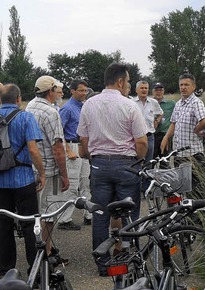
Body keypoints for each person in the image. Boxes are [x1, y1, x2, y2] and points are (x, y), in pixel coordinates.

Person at [78, 63, 148, 276]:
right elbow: (142, 141)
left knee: (100, 213)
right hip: (126, 164)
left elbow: (83, 138)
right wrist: (139, 160)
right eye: (127, 82)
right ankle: (127, 257)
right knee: (129, 213)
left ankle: (102, 262)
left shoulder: (89, 104)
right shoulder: (129, 106)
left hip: (99, 164)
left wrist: (94, 157)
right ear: (120, 82)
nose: (128, 86)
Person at [0, 84, 46, 276]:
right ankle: (34, 271)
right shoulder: (26, 117)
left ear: (0, 99)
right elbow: (33, 149)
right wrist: (42, 173)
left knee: (3, 226)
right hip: (23, 179)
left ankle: (6, 271)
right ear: (18, 98)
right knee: (29, 225)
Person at [25, 75, 70, 264]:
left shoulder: (29, 107)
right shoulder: (51, 113)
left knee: (36, 212)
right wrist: (65, 175)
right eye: (56, 89)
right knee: (49, 213)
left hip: (32, 168)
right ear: (50, 91)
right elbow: (57, 147)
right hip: (49, 170)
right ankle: (46, 253)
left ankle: (42, 249)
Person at [160, 73, 205, 199]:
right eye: (181, 85)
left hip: (193, 154)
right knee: (182, 188)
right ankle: (185, 216)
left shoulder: (196, 103)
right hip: (179, 154)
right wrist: (166, 138)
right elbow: (173, 123)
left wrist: (196, 130)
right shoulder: (178, 104)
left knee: (197, 189)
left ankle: (198, 216)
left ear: (193, 87)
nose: (183, 87)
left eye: (186, 85)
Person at [57, 79, 90, 230]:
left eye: (85, 91)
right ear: (72, 91)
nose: (84, 93)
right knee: (72, 184)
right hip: (72, 147)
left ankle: (88, 215)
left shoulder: (83, 107)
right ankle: (64, 219)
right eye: (81, 90)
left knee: (86, 182)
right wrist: (67, 150)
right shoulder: (67, 109)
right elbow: (58, 132)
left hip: (83, 147)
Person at [132, 80, 163, 165]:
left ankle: (146, 178)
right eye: (141, 88)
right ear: (136, 90)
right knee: (136, 162)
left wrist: (157, 121)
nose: (144, 90)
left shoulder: (153, 102)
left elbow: (160, 113)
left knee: (148, 163)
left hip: (149, 137)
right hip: (136, 138)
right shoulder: (131, 103)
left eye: (146, 88)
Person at [152, 82, 175, 159]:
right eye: (156, 90)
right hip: (153, 135)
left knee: (165, 161)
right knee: (151, 160)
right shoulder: (149, 104)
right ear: (153, 92)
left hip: (165, 136)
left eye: (161, 90)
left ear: (164, 91)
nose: (159, 92)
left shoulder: (171, 104)